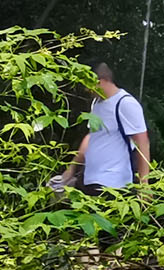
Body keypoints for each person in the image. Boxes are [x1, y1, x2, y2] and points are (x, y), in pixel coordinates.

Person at [63, 61, 151, 192]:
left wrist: (144, 185)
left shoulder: (125, 103)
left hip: (113, 183)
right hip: (90, 179)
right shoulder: (96, 103)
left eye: (89, 84)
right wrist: (72, 168)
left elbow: (142, 142)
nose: (87, 89)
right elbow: (92, 136)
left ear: (102, 80)